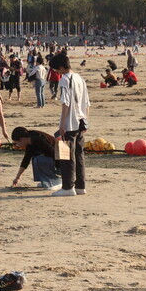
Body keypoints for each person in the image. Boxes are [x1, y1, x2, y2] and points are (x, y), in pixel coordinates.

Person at [52, 53, 89, 197]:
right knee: (79, 154)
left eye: (56, 70)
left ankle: (68, 187)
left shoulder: (64, 80)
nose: (56, 72)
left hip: (70, 122)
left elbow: (65, 103)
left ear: (61, 67)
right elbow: (87, 103)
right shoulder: (80, 78)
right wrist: (86, 120)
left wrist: (62, 124)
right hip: (81, 121)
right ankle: (81, 185)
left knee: (66, 155)